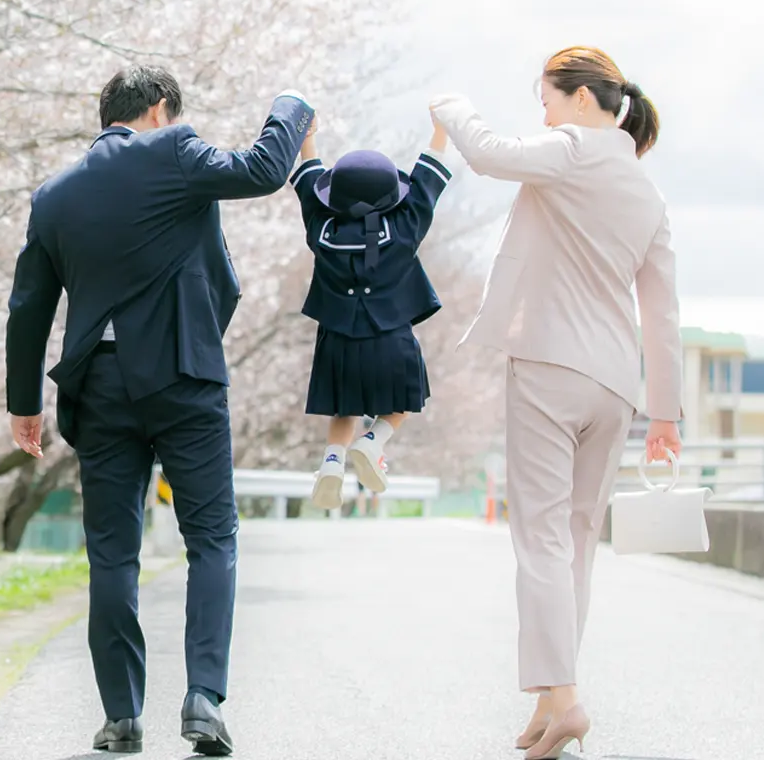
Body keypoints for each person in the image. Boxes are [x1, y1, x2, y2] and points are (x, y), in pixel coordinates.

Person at [4, 66, 313, 756]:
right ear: (160, 110)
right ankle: (204, 698)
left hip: (99, 384)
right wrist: (291, 106)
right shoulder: (175, 152)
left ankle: (121, 717)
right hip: (182, 374)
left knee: (113, 553)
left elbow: (29, 309)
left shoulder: (53, 197)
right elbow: (265, 168)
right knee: (212, 537)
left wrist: (24, 404)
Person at [430, 46, 682, 760]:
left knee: (538, 535)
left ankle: (564, 699)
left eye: (544, 97)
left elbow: (486, 152)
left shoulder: (570, 149)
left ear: (579, 99)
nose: (540, 112)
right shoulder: (645, 189)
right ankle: (550, 701)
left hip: (548, 365)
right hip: (615, 385)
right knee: (574, 542)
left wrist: (451, 107)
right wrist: (665, 415)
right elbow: (661, 311)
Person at [289, 115, 454, 508]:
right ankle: (374, 440)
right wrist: (440, 130)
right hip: (390, 336)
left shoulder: (321, 230)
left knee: (344, 407)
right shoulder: (404, 227)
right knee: (402, 404)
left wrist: (307, 140)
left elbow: (309, 184)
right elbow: (427, 182)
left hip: (337, 341)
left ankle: (332, 460)